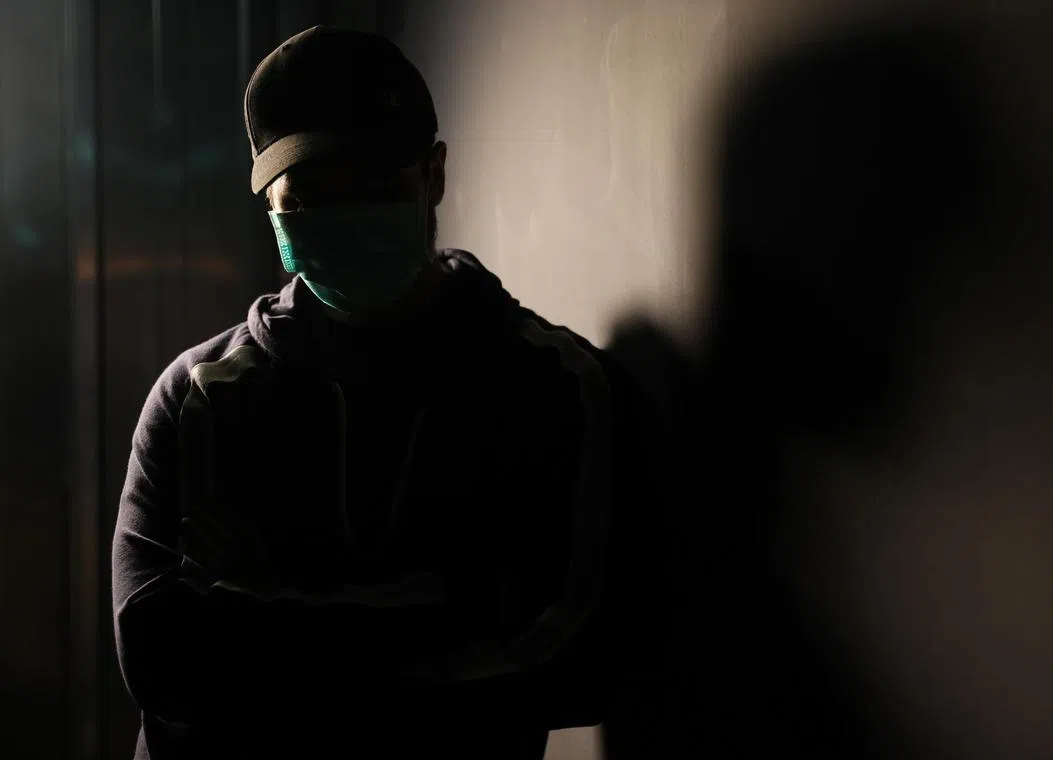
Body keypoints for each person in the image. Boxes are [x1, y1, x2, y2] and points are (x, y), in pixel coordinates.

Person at [111, 26, 654, 759]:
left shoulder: (553, 387)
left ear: (435, 175)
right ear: (269, 204)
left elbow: (576, 670)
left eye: (371, 186)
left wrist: (271, 599)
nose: (344, 218)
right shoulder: (198, 398)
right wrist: (443, 606)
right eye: (309, 198)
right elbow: (163, 665)